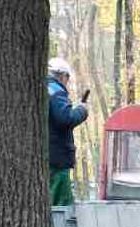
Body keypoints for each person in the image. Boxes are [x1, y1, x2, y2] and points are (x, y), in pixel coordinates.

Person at [46, 58, 89, 207]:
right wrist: (82, 110)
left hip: (48, 157)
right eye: (67, 78)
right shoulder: (56, 92)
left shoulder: (43, 89)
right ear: (62, 76)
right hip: (57, 159)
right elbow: (65, 118)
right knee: (61, 205)